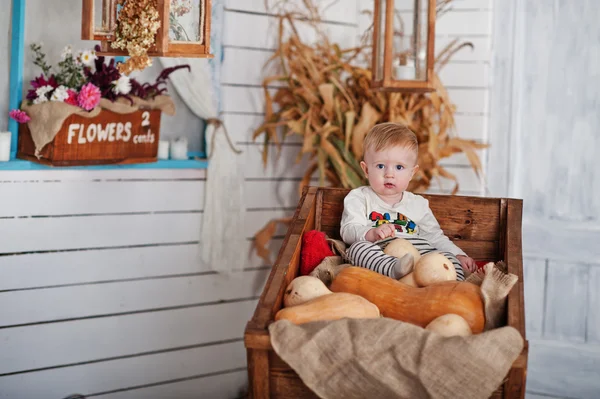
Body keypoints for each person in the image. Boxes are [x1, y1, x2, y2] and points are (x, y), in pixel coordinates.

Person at [340, 122, 477, 280]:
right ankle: (393, 269)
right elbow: (348, 230)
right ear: (366, 169)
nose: (389, 174)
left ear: (412, 173)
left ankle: (452, 286)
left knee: (447, 259)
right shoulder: (359, 197)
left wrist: (459, 255)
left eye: (399, 167)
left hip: (419, 257)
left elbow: (435, 237)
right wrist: (371, 233)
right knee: (357, 249)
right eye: (380, 166)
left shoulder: (418, 204)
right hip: (379, 253)